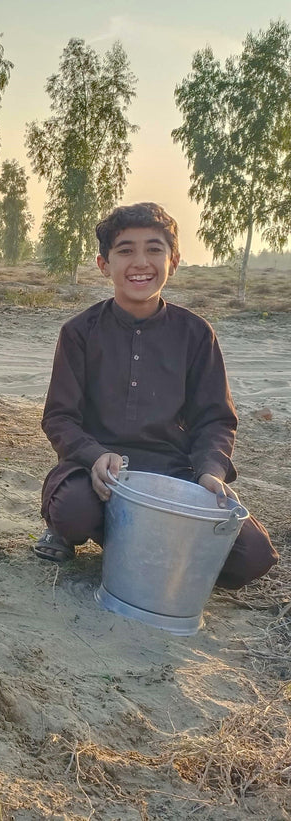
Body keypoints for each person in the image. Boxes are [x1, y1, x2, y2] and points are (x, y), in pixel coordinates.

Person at [34, 202, 278, 589]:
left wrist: (210, 472)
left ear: (174, 260)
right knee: (73, 512)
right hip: (97, 471)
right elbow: (59, 417)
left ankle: (142, 543)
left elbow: (215, 419)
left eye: (154, 249)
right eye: (125, 250)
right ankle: (67, 532)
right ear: (104, 264)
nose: (140, 262)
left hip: (172, 472)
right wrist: (96, 456)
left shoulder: (196, 334)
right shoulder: (79, 332)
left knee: (252, 556)